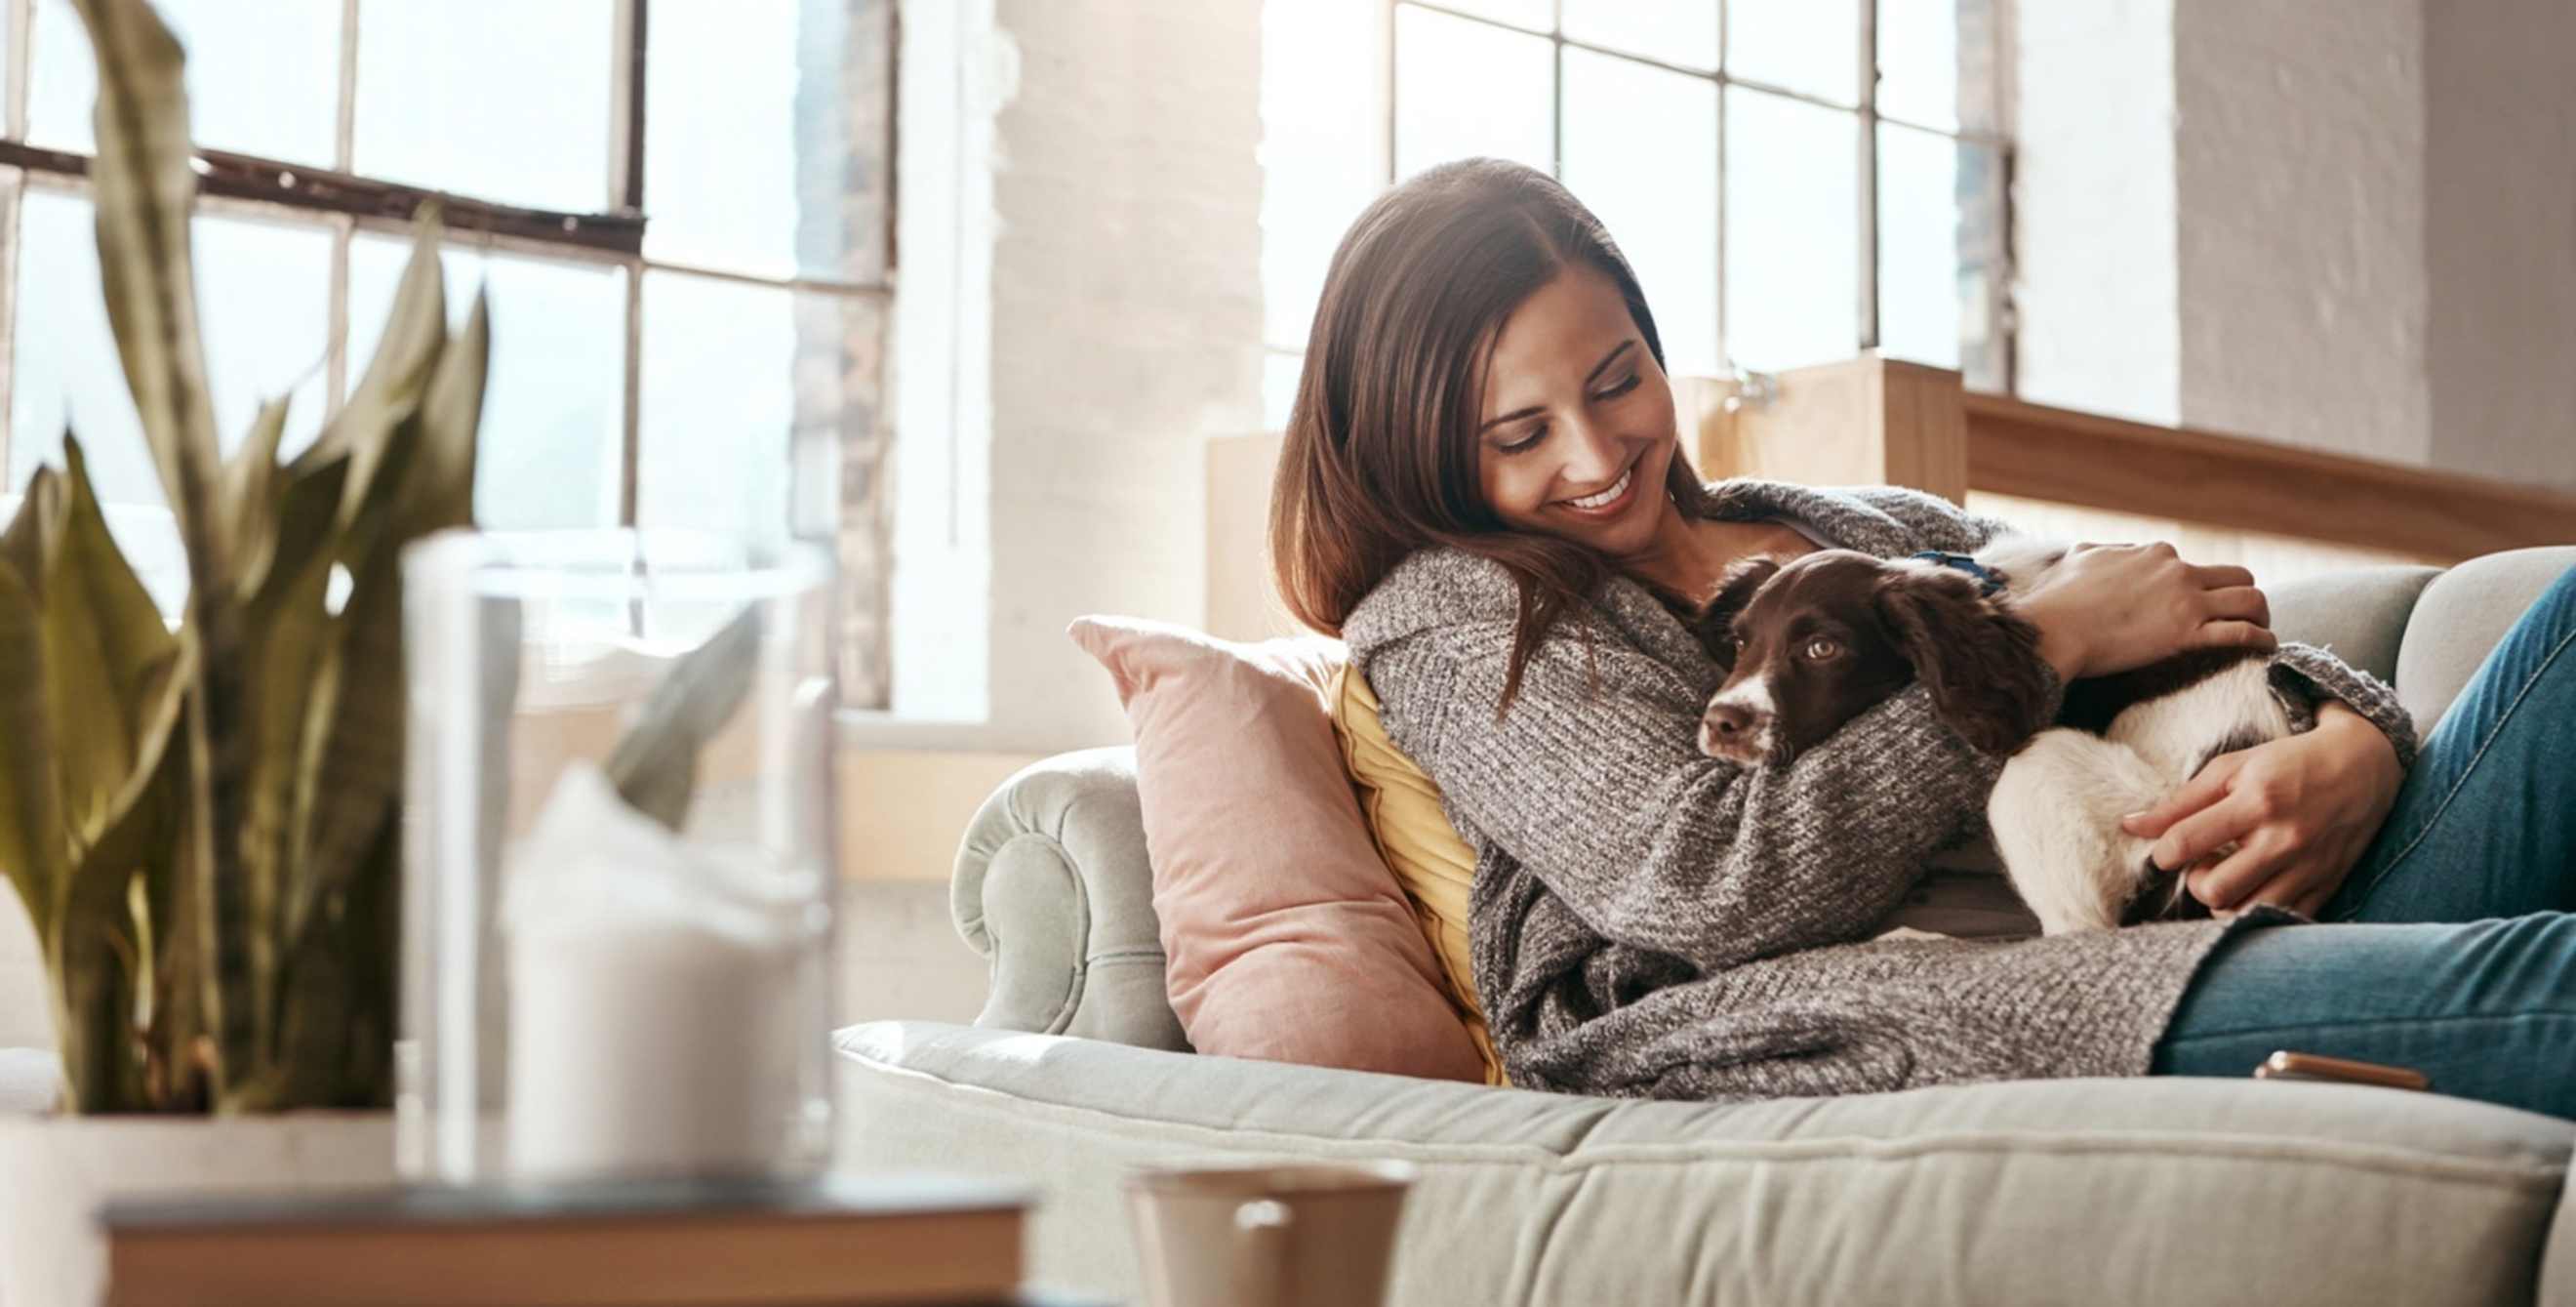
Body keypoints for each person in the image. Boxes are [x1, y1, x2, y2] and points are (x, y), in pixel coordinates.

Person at [1269, 157, 2576, 1117]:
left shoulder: (1859, 521)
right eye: (1520, 433)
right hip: (1988, 992)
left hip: (2250, 881)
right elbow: (1701, 883)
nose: (1599, 452)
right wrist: (2040, 643)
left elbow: (2186, 624)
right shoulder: (1452, 614)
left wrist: (2351, 744)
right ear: (1426, 447)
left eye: (1619, 379)